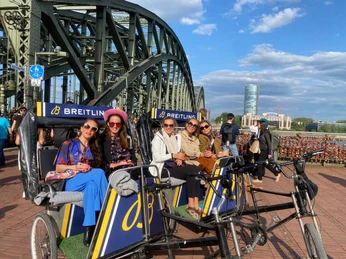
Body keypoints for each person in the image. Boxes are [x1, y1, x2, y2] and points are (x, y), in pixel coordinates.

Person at [47, 118, 108, 246]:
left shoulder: (94, 147)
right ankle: (107, 212)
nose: (89, 130)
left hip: (88, 181)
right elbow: (58, 167)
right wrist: (76, 167)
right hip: (70, 181)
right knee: (99, 173)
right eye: (87, 126)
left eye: (93, 129)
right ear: (81, 128)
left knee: (91, 187)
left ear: (95, 132)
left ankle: (89, 231)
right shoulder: (69, 144)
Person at [149, 116, 201, 220]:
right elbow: (157, 157)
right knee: (192, 171)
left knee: (196, 170)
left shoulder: (175, 137)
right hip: (162, 169)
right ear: (162, 126)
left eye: (171, 125)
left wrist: (179, 158)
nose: (168, 127)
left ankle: (194, 203)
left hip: (172, 166)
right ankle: (191, 205)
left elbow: (177, 152)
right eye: (166, 125)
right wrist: (173, 156)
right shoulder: (158, 138)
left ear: (174, 126)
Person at [101, 108, 135, 178]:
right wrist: (116, 164)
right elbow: (98, 161)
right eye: (112, 124)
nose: (115, 126)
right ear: (108, 124)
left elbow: (133, 156)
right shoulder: (101, 139)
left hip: (128, 171)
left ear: (122, 125)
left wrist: (131, 162)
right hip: (112, 173)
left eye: (118, 124)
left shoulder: (127, 138)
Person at [252, 119, 279, 183]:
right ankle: (276, 174)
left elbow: (269, 144)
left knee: (259, 163)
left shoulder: (266, 133)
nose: (257, 125)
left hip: (265, 150)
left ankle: (260, 179)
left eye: (258, 124)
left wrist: (269, 153)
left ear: (262, 125)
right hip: (262, 150)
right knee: (266, 164)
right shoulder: (261, 132)